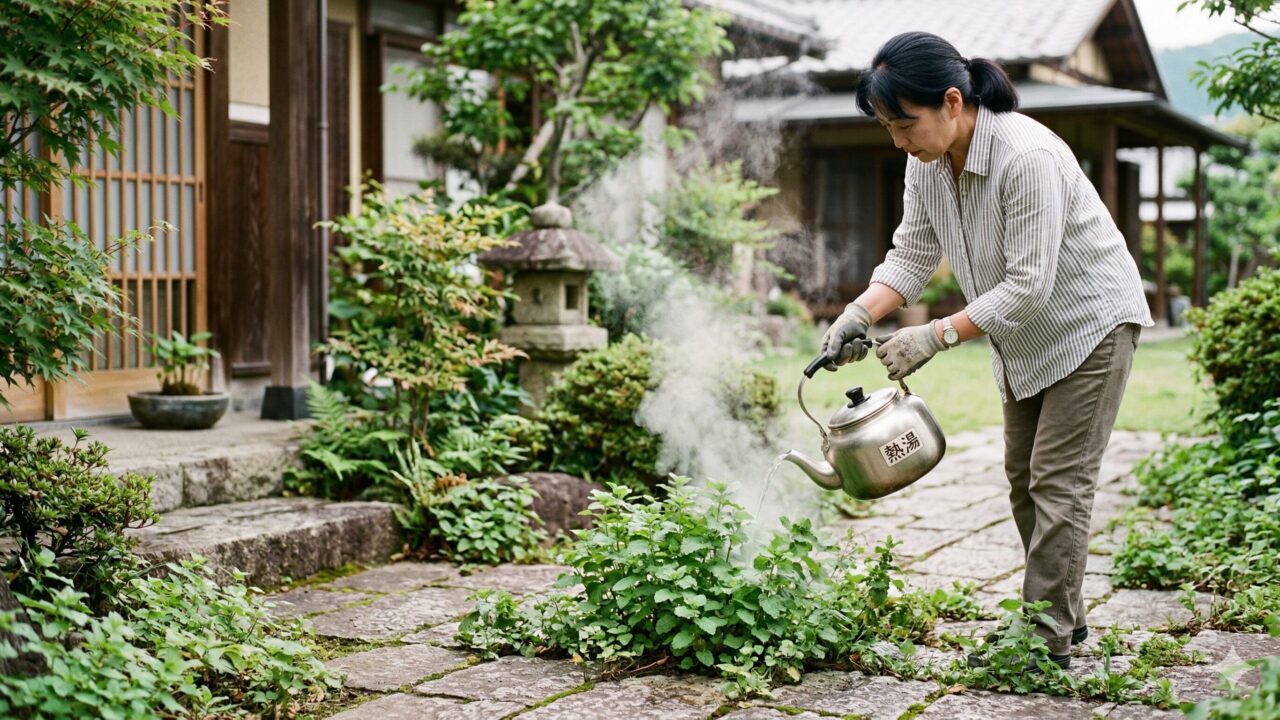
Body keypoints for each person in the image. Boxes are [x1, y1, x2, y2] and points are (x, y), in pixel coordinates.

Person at [820, 31, 1153, 670]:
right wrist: (859, 313)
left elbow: (1030, 284)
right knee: (1022, 482)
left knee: (1058, 483)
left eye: (904, 123)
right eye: (887, 127)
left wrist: (935, 335)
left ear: (951, 101)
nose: (898, 141)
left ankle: (1041, 639)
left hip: (1091, 325)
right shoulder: (925, 163)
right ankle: (1066, 620)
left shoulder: (1025, 155)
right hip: (1022, 338)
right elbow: (912, 255)